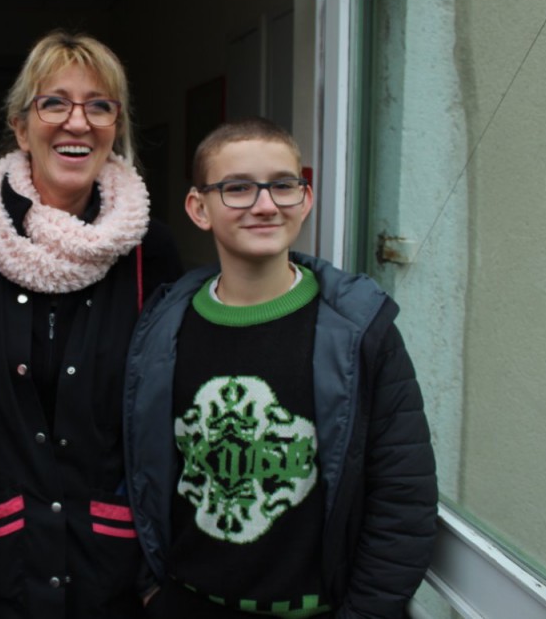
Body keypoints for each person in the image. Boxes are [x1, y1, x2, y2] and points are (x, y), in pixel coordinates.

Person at [0, 30, 183, 618]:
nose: (77, 122)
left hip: (109, 578)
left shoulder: (149, 250)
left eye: (99, 105)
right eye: (54, 102)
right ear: (20, 127)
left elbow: (171, 409)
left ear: (116, 126)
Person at [124, 117, 438, 618]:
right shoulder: (161, 330)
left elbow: (404, 500)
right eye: (238, 188)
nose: (265, 205)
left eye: (283, 186)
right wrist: (150, 588)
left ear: (305, 199)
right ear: (199, 208)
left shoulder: (360, 331)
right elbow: (135, 465)